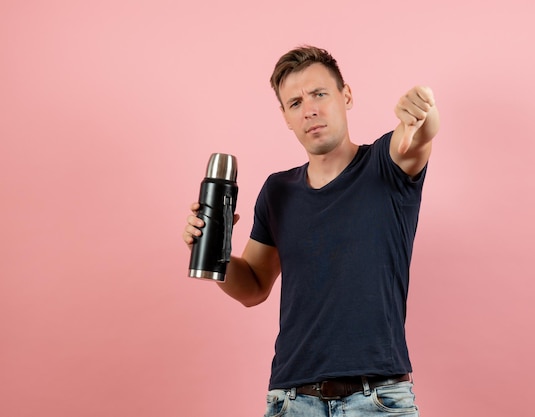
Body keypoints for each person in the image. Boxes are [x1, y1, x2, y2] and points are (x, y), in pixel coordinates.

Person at [182, 45, 440, 416]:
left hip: (376, 400)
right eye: (295, 103)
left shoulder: (385, 165)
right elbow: (253, 287)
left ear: (345, 95)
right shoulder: (277, 191)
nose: (310, 110)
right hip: (292, 400)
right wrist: (215, 251)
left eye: (319, 94)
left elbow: (417, 138)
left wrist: (423, 111)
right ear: (286, 117)